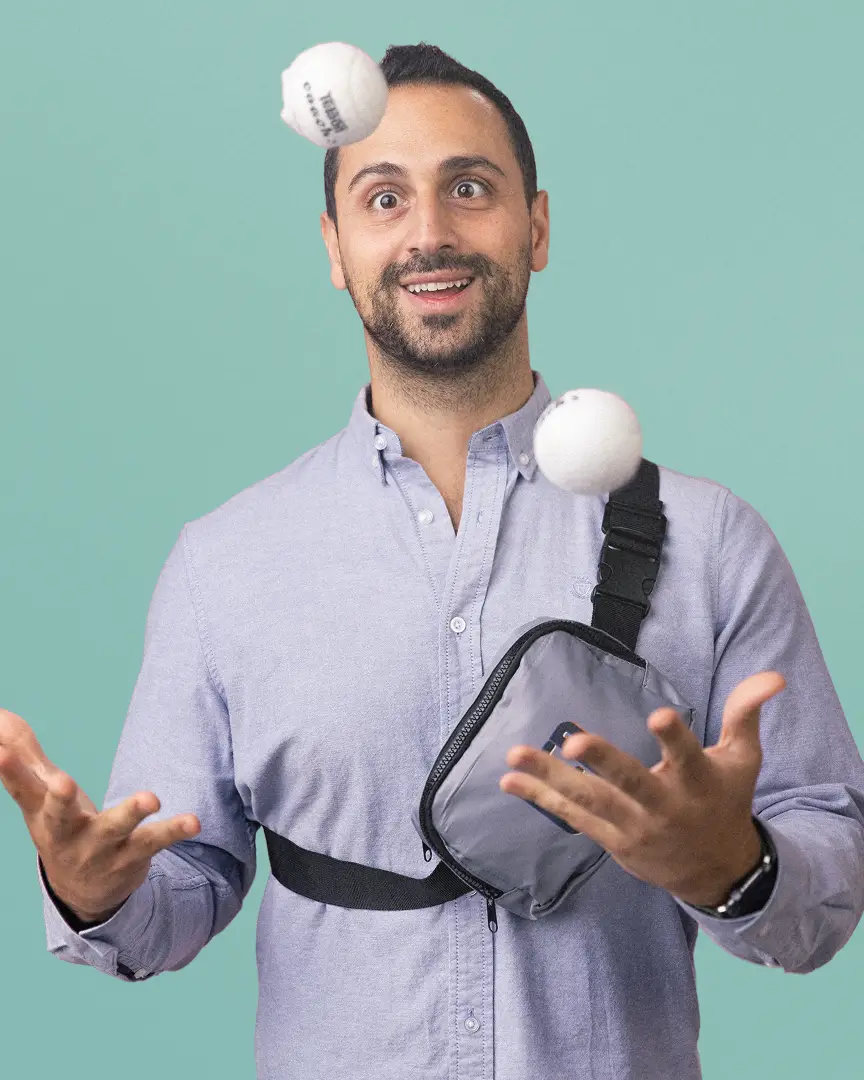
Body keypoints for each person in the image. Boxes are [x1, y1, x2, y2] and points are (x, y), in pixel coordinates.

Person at [2, 42, 863, 1080]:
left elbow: (825, 891)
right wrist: (96, 891)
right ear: (334, 246)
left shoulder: (711, 540)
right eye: (382, 198)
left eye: (469, 187)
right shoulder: (222, 566)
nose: (430, 233)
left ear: (537, 226)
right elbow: (175, 905)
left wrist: (738, 870)